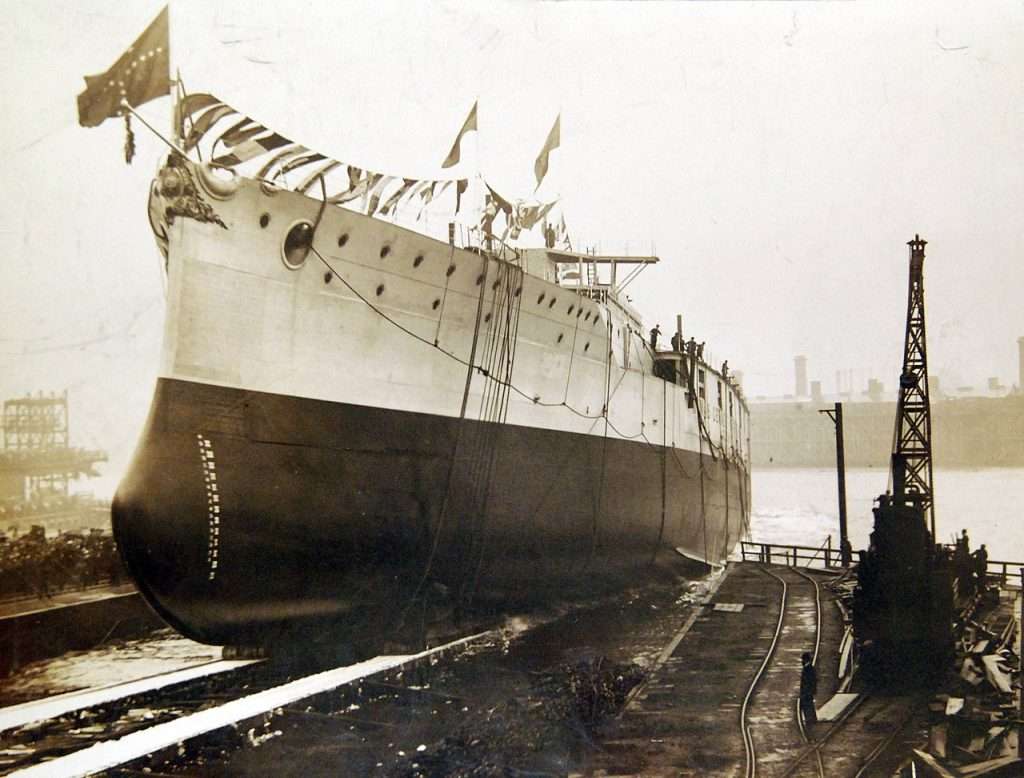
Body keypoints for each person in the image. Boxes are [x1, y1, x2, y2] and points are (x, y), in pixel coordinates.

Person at [799, 652, 817, 728]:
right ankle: (812, 719)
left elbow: (808, 681)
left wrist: (804, 692)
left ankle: (809, 721)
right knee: (809, 705)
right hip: (808, 691)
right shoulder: (809, 668)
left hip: (807, 691)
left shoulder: (807, 669)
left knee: (807, 706)